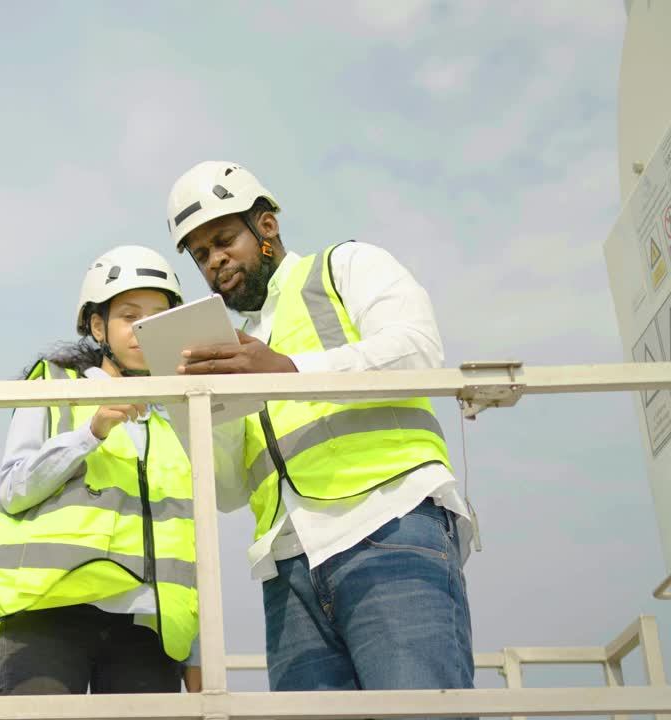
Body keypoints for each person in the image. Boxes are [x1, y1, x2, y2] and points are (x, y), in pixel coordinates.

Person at [165, 161, 474, 707]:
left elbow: (417, 349)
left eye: (223, 240)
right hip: (287, 568)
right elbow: (233, 491)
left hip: (388, 525)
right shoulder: (232, 342)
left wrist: (286, 369)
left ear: (265, 227)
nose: (215, 261)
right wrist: (193, 410)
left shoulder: (345, 266)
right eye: (201, 255)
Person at [0, 245, 202, 695]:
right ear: (98, 327)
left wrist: (196, 660)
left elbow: (185, 548)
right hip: (48, 612)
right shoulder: (55, 385)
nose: (143, 330)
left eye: (157, 318)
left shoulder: (178, 419)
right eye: (129, 316)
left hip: (147, 628)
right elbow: (13, 488)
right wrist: (90, 432)